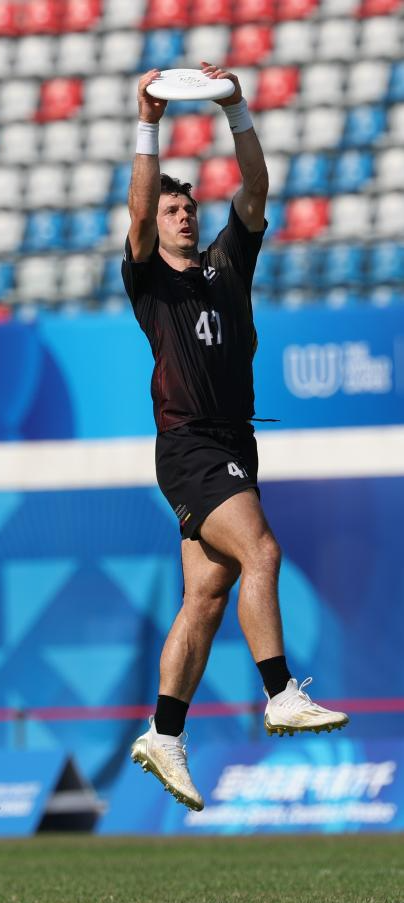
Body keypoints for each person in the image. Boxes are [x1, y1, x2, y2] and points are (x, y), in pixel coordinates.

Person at [123, 65, 348, 812]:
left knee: (207, 595)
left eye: (188, 207)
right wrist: (150, 121)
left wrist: (236, 107)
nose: (183, 217)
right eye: (172, 210)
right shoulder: (151, 281)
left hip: (232, 441)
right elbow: (135, 212)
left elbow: (256, 187)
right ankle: (280, 691)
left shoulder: (225, 265)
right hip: (190, 445)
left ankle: (164, 733)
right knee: (263, 551)